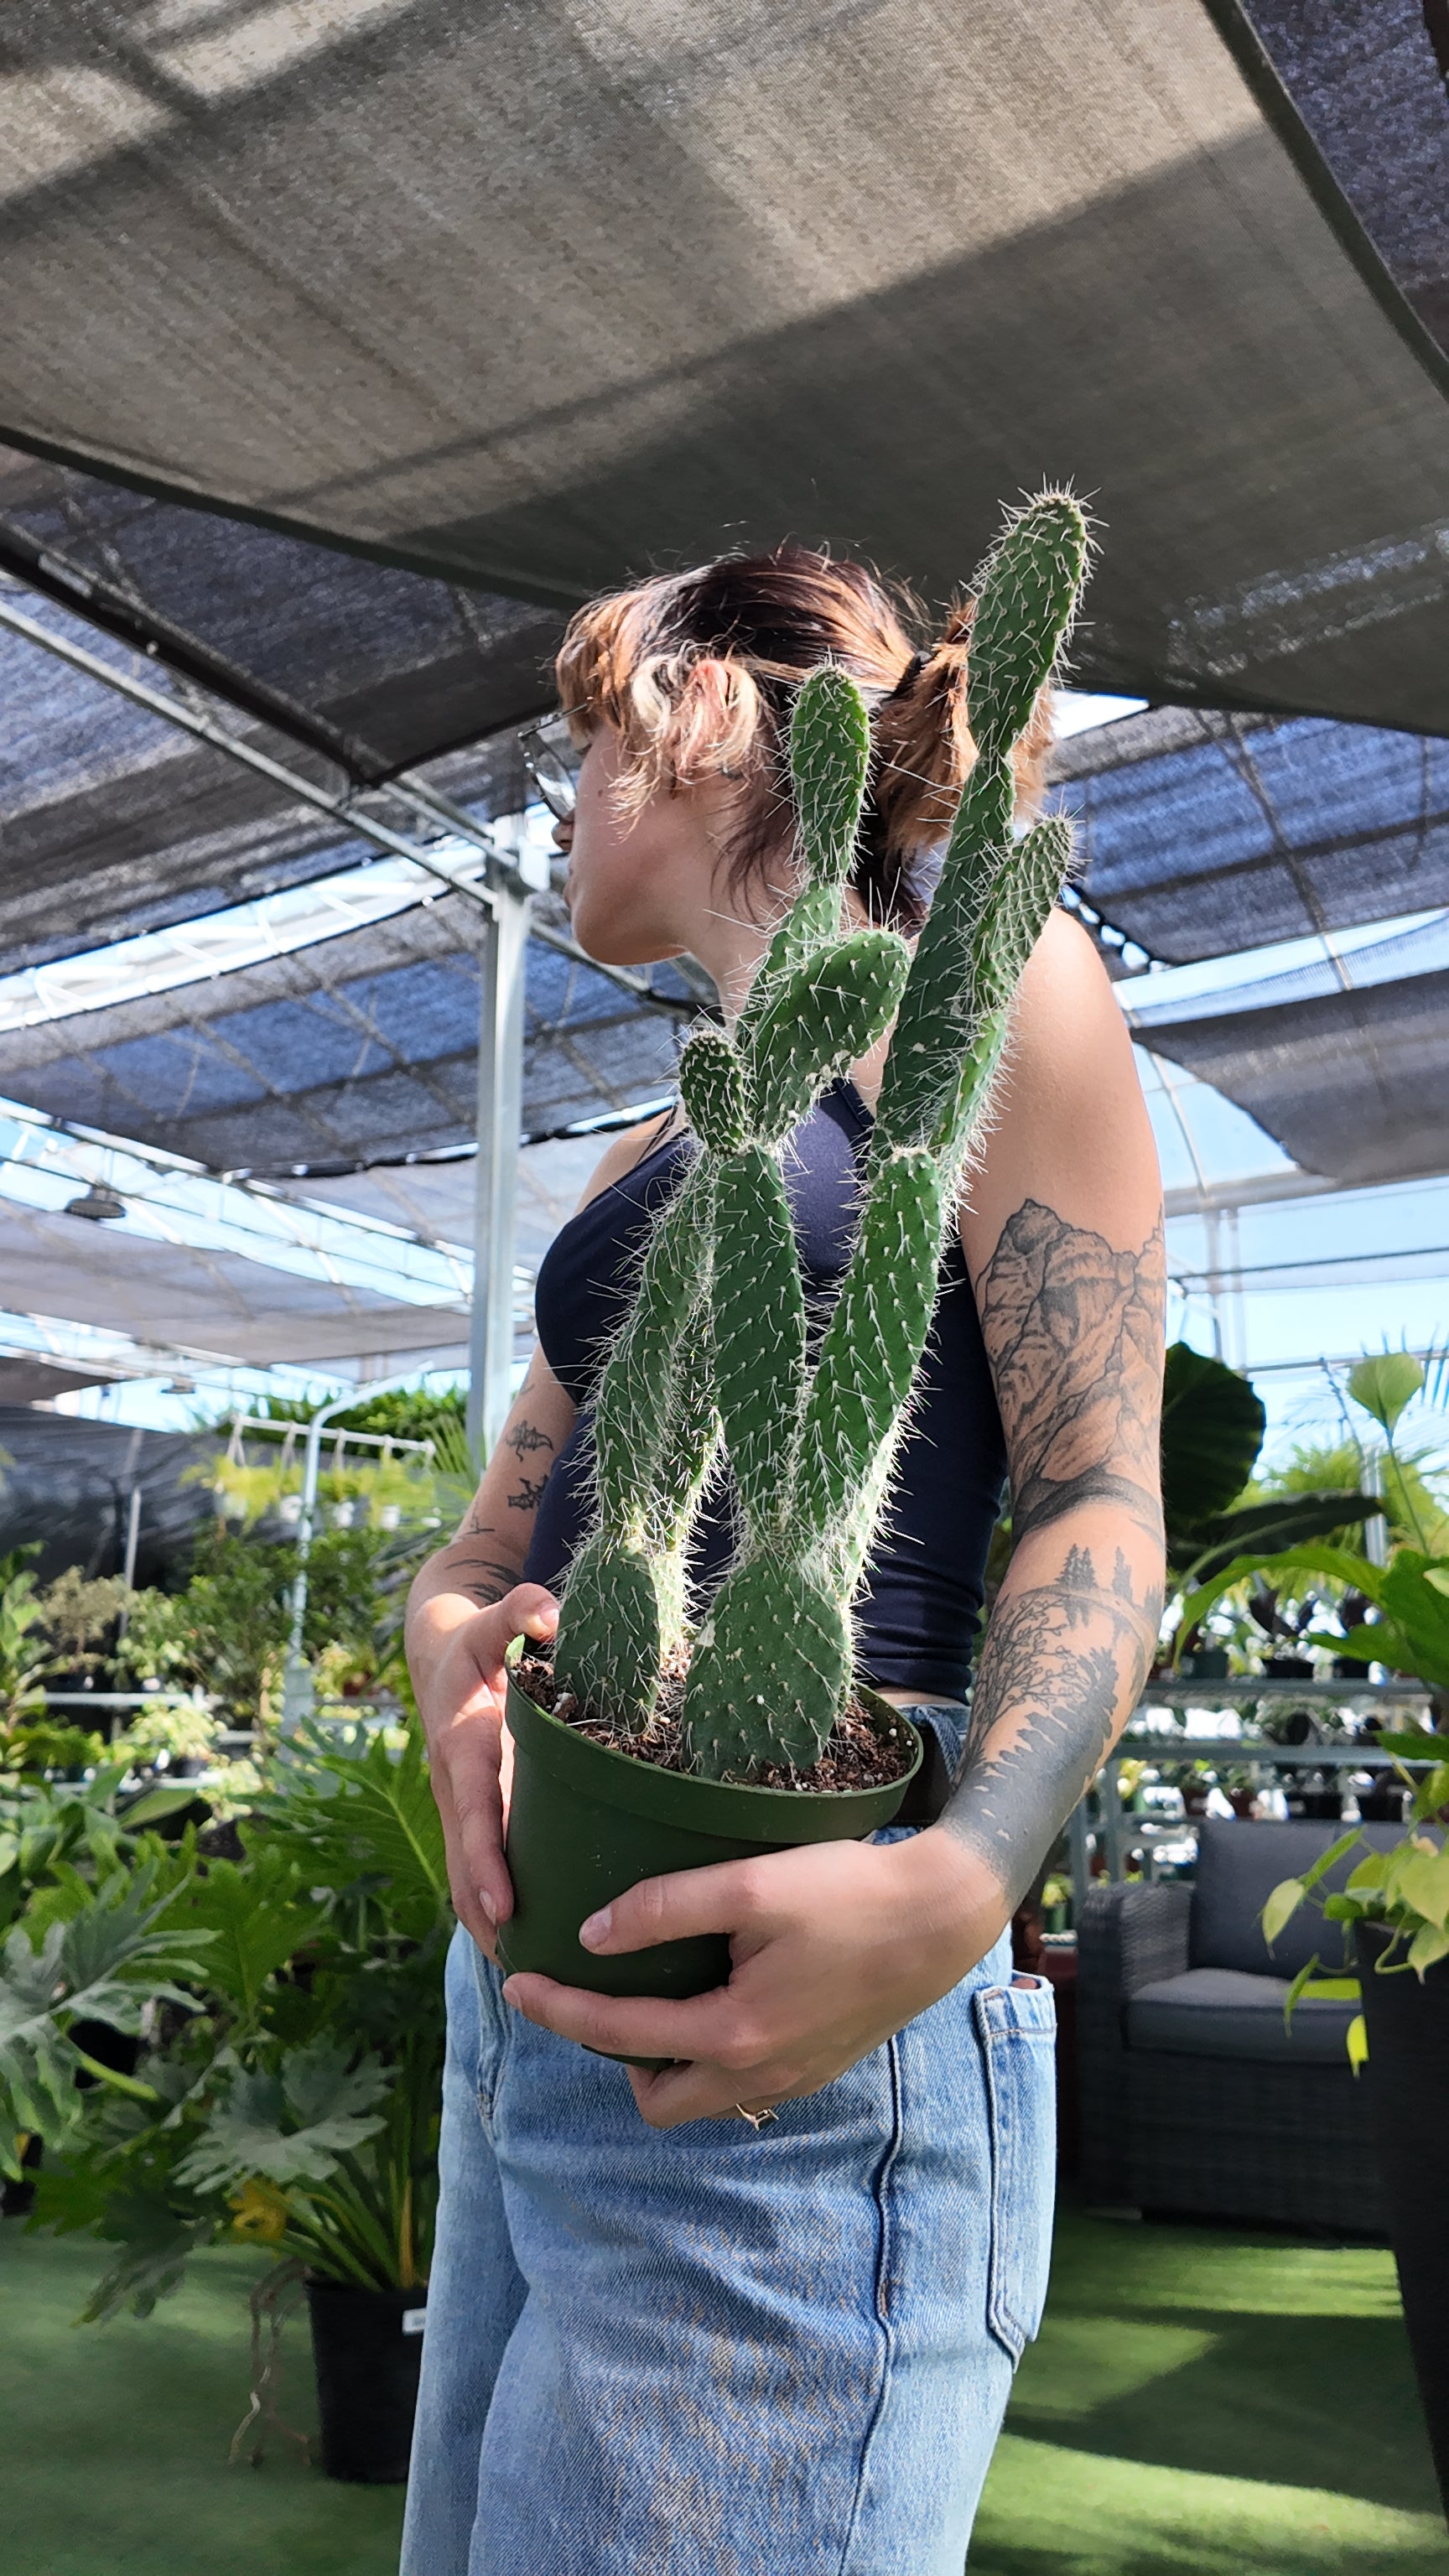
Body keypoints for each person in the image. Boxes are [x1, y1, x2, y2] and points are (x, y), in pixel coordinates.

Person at [401, 548, 1165, 2575]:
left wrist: (967, 1869)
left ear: (716, 710)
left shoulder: (995, 987)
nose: (561, 805)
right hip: (529, 1988)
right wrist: (451, 1647)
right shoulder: (651, 1152)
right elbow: (490, 1537)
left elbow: (1097, 1489)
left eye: (584, 742)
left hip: (804, 1971)